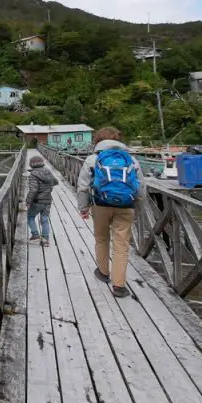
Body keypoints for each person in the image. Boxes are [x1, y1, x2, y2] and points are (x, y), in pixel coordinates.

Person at [76, 127, 142, 298]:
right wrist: (138, 205)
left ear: (98, 140)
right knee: (121, 245)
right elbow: (141, 187)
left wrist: (83, 208)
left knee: (101, 239)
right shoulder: (131, 160)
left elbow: (83, 186)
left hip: (100, 205)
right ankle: (119, 286)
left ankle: (103, 273)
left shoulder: (92, 159)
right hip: (126, 206)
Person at [26, 155, 57, 246]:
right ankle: (45, 240)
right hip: (48, 200)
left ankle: (35, 235)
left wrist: (28, 202)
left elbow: (33, 190)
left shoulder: (33, 175)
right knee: (44, 219)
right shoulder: (48, 172)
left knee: (30, 217)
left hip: (37, 201)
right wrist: (47, 187)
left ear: (31, 165)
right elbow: (55, 182)